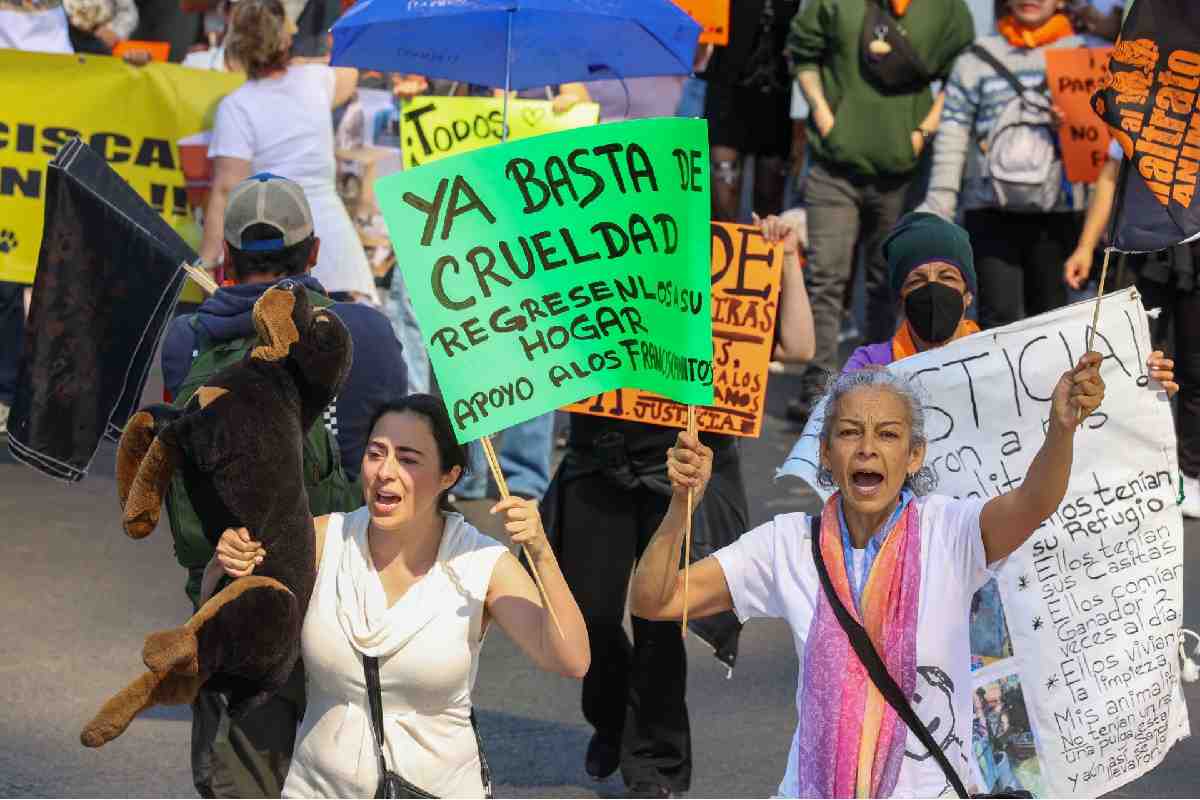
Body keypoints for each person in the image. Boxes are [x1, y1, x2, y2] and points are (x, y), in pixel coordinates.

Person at [630, 358, 1107, 797]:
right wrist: (680, 507)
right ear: (825, 454)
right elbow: (656, 601)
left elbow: (1033, 503)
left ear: (914, 455)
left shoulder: (948, 532)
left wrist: (1061, 431)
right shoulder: (787, 545)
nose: (866, 449)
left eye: (888, 435)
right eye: (850, 433)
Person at [541, 212, 813, 798]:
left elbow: (799, 346)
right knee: (587, 613)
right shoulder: (587, 268)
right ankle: (611, 717)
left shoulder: (706, 275)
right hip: (597, 467)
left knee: (659, 619)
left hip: (678, 472)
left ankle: (656, 765)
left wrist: (783, 259)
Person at [160, 173, 407, 798]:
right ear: (315, 252)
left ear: (225, 255)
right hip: (347, 601)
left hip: (237, 603)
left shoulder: (187, 343)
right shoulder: (367, 334)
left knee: (242, 777)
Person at [212, 394, 591, 798]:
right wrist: (227, 562)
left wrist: (541, 551)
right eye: (377, 453)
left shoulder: (482, 562)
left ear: (450, 476)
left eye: (408, 459)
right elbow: (223, 622)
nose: (385, 472)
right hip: (316, 788)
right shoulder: (323, 539)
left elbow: (570, 659)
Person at [788, 0, 974, 421]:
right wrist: (821, 110)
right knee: (826, 276)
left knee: (886, 279)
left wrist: (925, 128)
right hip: (833, 167)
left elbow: (962, 70)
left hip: (902, 172)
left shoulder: (947, 10)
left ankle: (873, 379)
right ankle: (818, 387)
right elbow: (803, 52)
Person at [919, 0, 1093, 330]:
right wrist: (940, 202)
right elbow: (952, 132)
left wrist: (1073, 124)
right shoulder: (973, 59)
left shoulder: (1084, 56)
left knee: (1056, 322)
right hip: (989, 212)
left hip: (1061, 214)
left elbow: (1103, 140)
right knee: (998, 323)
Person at [200, 0, 377, 300]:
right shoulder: (316, 80)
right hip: (337, 250)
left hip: (276, 256)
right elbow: (349, 74)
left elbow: (227, 190)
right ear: (286, 36)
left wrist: (206, 260)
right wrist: (304, 62)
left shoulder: (237, 105)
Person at [1064, 145, 1195, 515]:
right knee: (1130, 364)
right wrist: (1087, 246)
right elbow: (1110, 176)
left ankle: (1190, 471)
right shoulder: (1136, 102)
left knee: (1195, 366)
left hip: (1194, 251)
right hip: (1141, 249)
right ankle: (1132, 473)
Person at [702, 0, 799, 222]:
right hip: (727, 87)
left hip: (777, 98)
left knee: (769, 195)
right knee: (723, 185)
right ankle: (720, 253)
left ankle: (762, 252)